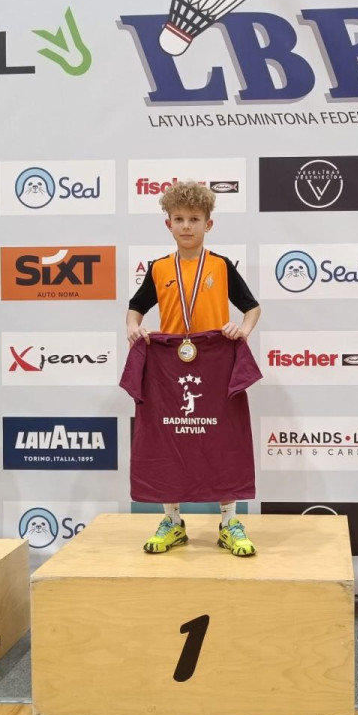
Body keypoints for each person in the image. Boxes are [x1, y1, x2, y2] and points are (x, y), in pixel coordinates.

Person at [126, 180, 261, 556]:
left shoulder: (221, 266)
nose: (187, 226)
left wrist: (242, 330)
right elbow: (135, 308)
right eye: (180, 219)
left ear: (208, 224)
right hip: (170, 370)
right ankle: (172, 521)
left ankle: (229, 522)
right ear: (168, 224)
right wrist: (133, 328)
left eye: (195, 219)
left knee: (222, 441)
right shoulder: (158, 269)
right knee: (169, 441)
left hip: (215, 365)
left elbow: (252, 308)